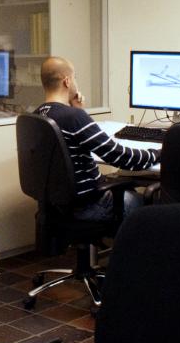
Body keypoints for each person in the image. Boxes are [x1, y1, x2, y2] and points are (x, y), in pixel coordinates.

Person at [34, 56, 155, 221]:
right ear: (67, 81)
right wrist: (158, 153)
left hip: (56, 207)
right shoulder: (72, 117)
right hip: (91, 205)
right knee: (154, 203)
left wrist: (77, 110)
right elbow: (122, 158)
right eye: (75, 77)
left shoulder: (38, 115)